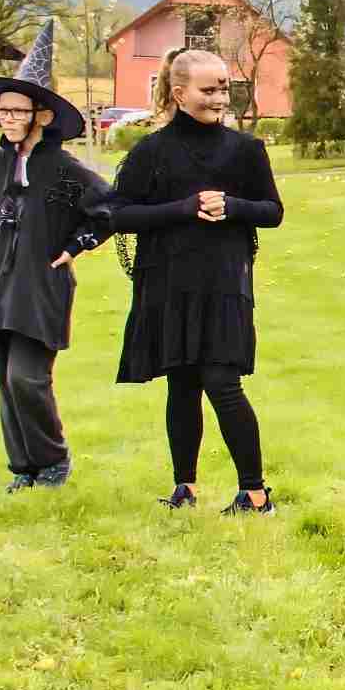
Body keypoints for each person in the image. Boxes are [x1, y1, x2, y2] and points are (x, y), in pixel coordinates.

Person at [100, 49, 284, 512]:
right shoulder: (150, 152)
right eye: (209, 89)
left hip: (223, 283)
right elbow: (119, 214)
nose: (220, 97)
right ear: (179, 93)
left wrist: (233, 207)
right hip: (167, 283)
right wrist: (181, 209)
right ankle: (186, 487)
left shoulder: (245, 150)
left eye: (224, 86)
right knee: (181, 384)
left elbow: (273, 211)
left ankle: (256, 494)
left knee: (223, 382)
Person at [0, 22, 110, 493]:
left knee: (27, 378)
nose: (7, 118)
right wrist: (0, 250)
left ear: (41, 116)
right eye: (3, 111)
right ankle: (24, 469)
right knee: (6, 380)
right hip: (0, 287)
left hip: (41, 289)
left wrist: (73, 247)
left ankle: (53, 460)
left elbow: (108, 209)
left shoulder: (65, 171)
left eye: (17, 111)